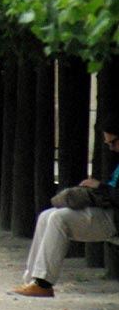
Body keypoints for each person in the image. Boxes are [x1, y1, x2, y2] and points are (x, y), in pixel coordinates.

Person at [12, 117, 119, 298]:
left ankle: (44, 282)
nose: (112, 148)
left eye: (113, 143)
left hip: (115, 218)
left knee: (59, 219)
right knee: (47, 215)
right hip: (109, 211)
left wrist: (99, 188)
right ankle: (32, 279)